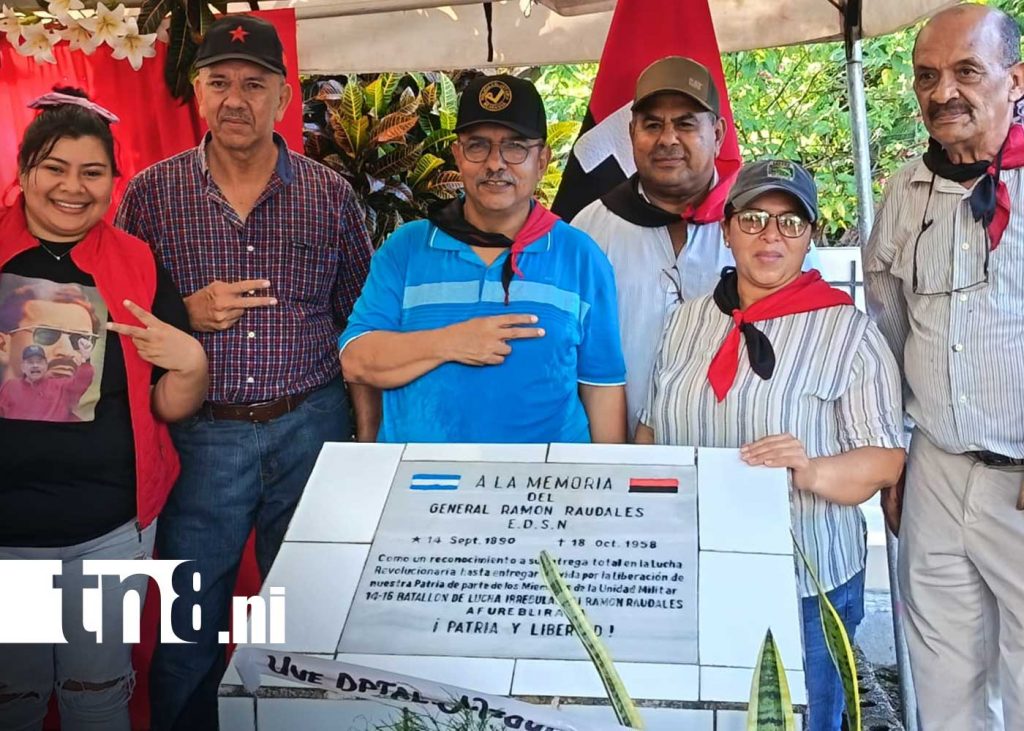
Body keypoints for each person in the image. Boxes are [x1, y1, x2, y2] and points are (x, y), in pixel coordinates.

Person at [114, 14, 374, 730]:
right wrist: (184, 311)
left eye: (254, 85)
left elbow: (363, 320)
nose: (236, 99)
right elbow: (124, 318)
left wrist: (362, 442)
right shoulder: (151, 194)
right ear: (196, 92)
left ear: (283, 98)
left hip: (312, 426)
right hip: (205, 437)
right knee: (190, 626)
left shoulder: (329, 196)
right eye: (219, 82)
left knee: (308, 617)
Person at [637, 160, 905, 731]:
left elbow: (884, 459)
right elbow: (652, 430)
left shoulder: (847, 332)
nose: (770, 236)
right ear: (728, 228)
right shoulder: (685, 322)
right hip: (695, 571)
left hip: (804, 581)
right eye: (755, 218)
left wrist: (808, 469)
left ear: (810, 236)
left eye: (790, 223)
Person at [0, 88, 207, 731]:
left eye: (92, 172)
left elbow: (170, 405)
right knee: (16, 695)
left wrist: (192, 363)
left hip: (108, 526)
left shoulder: (135, 261)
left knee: (97, 691)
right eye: (55, 168)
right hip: (8, 531)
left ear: (113, 181)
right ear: (25, 173)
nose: (73, 187)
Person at [864, 5, 1024, 728]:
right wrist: (895, 453)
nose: (943, 92)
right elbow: (885, 322)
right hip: (933, 467)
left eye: (967, 71)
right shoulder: (906, 190)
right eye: (927, 76)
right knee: (942, 678)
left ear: (1015, 79)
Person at [340, 74, 626, 443]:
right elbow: (357, 360)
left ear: (542, 161)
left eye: (515, 147)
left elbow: (601, 388)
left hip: (544, 489)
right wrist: (450, 342)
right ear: (458, 156)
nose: (495, 163)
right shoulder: (406, 248)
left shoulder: (580, 256)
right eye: (478, 146)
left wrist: (605, 486)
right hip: (421, 486)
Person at [572, 56, 818, 437]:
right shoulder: (590, 229)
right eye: (652, 125)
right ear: (632, 132)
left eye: (686, 123)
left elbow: (808, 333)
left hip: (744, 451)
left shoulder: (763, 228)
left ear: (718, 133)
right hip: (619, 454)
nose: (668, 138)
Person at [0, 342, 93, 421]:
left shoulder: (61, 386)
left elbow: (82, 381)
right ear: (23, 367)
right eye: (30, 362)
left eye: (39, 361)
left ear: (45, 365)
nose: (35, 365)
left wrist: (86, 358)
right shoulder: (10, 386)